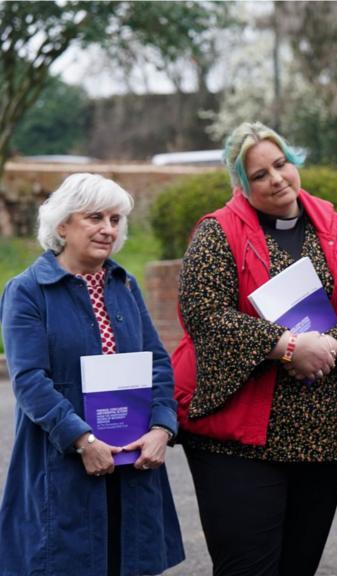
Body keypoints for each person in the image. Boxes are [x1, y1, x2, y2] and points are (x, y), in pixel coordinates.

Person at [172, 121, 337, 576]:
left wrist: (329, 343)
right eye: (259, 174)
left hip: (322, 440)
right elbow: (204, 315)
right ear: (241, 184)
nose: (276, 178)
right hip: (240, 444)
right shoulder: (217, 234)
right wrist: (286, 345)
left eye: (281, 163)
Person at [0, 173, 184, 575]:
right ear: (62, 224)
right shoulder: (27, 290)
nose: (108, 229)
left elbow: (156, 362)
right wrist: (82, 440)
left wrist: (161, 428)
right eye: (95, 217)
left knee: (127, 560)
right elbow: (30, 380)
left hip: (133, 463)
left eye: (115, 220)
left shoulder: (124, 284)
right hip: (64, 462)